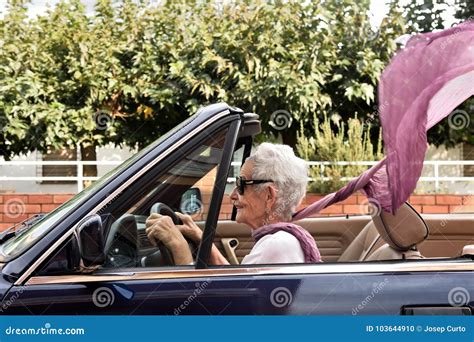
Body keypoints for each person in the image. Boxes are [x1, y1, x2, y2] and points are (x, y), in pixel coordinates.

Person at [146, 142, 321, 265]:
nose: (232, 195)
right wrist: (201, 238)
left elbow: (221, 313)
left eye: (241, 185)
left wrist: (178, 245)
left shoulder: (275, 246)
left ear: (269, 196)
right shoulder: (281, 241)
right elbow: (237, 284)